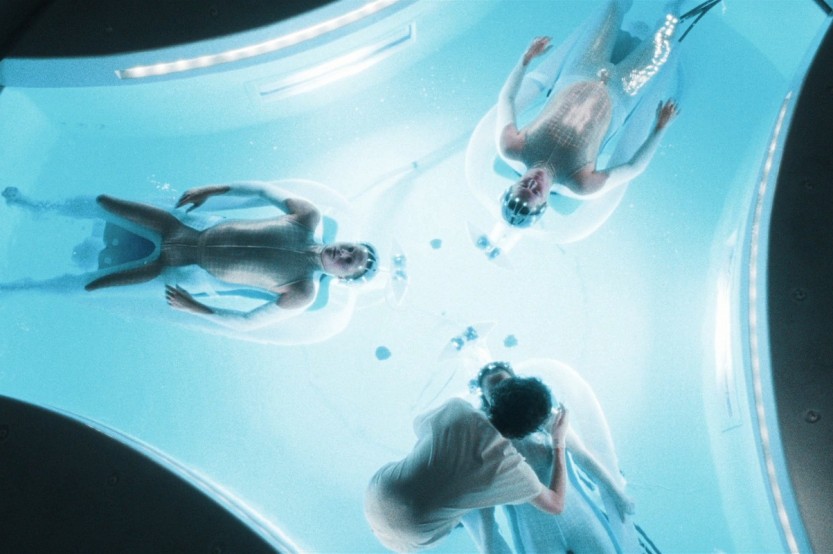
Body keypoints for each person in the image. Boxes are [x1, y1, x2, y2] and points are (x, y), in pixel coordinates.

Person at [1, 182, 378, 329]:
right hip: (182, 228)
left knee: (92, 286)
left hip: (183, 270)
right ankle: (38, 207)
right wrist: (214, 189)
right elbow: (263, 191)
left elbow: (249, 321)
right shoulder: (308, 217)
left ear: (342, 277)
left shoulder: (303, 291)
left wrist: (198, 308)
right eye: (351, 247)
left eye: (349, 261)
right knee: (104, 201)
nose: (343, 252)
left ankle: (21, 288)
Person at [496, 0, 720, 227]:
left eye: (524, 185)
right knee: (665, 33)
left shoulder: (512, 147)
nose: (533, 183)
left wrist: (526, 59)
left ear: (514, 184)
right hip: (623, 90)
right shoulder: (581, 183)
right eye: (536, 191)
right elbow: (633, 168)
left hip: (581, 69)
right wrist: (659, 128)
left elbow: (507, 99)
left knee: (613, 6)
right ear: (545, 202)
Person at [364, 376, 569, 552]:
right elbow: (556, 505)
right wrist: (559, 442)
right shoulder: (514, 470)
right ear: (529, 430)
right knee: (471, 502)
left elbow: (419, 427)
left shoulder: (456, 408)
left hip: (377, 492)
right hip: (416, 532)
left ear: (497, 396)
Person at [467, 362, 637, 553]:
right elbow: (485, 503)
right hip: (536, 529)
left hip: (577, 514)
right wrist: (488, 546)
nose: (503, 394)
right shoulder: (486, 437)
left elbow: (582, 456)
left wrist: (616, 493)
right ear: (485, 398)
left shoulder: (546, 416)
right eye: (494, 390)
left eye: (506, 385)